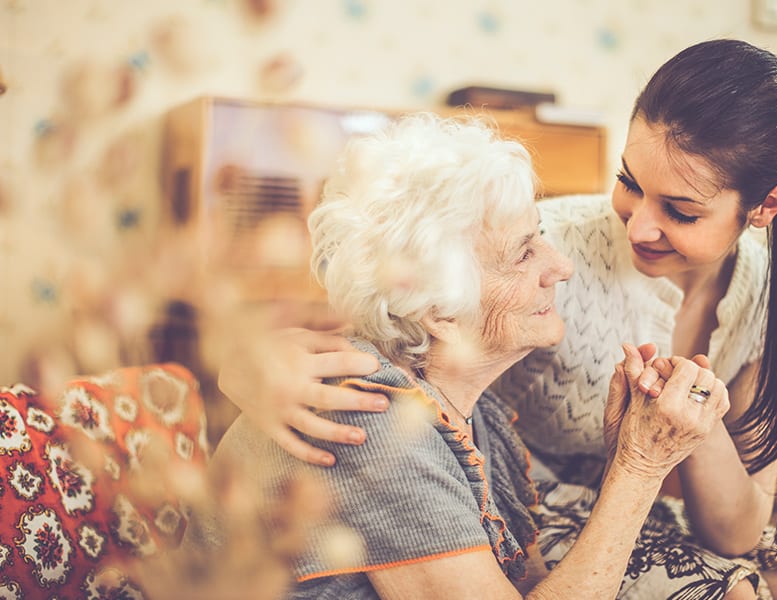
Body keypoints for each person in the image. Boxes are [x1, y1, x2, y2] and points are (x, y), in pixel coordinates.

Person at [221, 39, 777, 598]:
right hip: (544, 501)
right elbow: (381, 312)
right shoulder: (392, 418)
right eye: (629, 184)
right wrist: (244, 366)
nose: (636, 225)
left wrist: (687, 426)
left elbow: (740, 526)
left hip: (529, 493)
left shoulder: (482, 415)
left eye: (681, 210)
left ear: (766, 206)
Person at [184, 112, 733, 599]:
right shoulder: (372, 421)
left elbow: (534, 587)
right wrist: (640, 467)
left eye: (540, 236)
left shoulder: (476, 416)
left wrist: (628, 459)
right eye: (523, 252)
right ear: (441, 312)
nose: (560, 266)